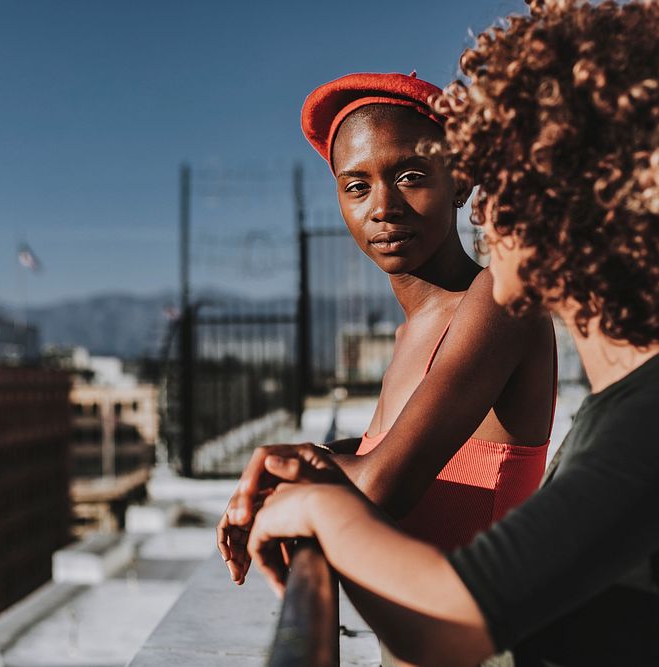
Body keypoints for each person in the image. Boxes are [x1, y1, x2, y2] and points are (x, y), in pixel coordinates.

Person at [241, 1, 659, 665]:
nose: (486, 206)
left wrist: (318, 508)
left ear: (579, 199)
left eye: (508, 175)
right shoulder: (650, 405)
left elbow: (447, 618)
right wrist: (322, 469)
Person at [217, 71, 558, 583]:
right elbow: (388, 454)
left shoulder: (499, 298)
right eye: (357, 186)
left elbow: (383, 486)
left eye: (411, 176)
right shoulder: (409, 335)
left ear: (460, 179)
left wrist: (290, 465)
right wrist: (305, 466)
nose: (383, 207)